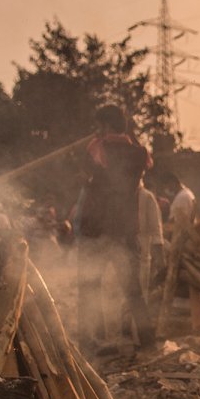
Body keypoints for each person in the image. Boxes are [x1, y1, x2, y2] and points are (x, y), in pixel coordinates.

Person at [77, 104, 155, 349]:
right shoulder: (140, 152)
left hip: (98, 230)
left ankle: (94, 341)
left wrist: (96, 142)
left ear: (107, 125)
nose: (97, 130)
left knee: (89, 287)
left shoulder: (98, 148)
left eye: (100, 126)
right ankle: (146, 342)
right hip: (125, 231)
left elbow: (87, 169)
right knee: (133, 291)